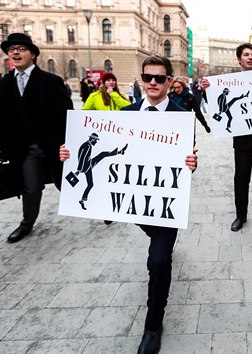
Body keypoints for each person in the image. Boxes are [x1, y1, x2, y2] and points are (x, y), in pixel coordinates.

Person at [61, 55, 198, 354]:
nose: (152, 83)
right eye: (147, 77)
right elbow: (98, 148)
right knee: (155, 240)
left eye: (159, 78)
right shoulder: (126, 113)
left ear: (169, 82)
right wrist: (68, 154)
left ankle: (153, 326)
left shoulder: (181, 117)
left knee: (159, 260)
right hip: (133, 201)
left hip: (163, 201)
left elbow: (187, 162)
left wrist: (191, 163)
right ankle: (160, 242)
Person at [0, 33, 73, 243]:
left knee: (69, 184)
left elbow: (67, 115)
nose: (15, 52)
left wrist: (70, 143)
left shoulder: (51, 81)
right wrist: (5, 148)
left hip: (54, 147)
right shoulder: (6, 82)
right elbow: (5, 118)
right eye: (11, 49)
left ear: (33, 54)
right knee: (30, 187)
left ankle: (101, 210)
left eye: (20, 48)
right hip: (25, 149)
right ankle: (26, 224)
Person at [201, 43, 252, 232]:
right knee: (241, 178)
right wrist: (206, 90)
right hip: (243, 137)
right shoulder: (229, 81)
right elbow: (215, 103)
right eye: (246, 54)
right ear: (239, 59)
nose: (251, 57)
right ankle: (241, 215)